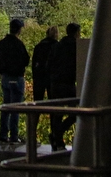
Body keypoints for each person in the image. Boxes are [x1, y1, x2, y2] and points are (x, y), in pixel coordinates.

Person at [0, 18, 30, 144]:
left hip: (5, 78)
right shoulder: (19, 45)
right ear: (19, 30)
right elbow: (26, 60)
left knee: (6, 107)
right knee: (15, 109)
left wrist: (1, 70)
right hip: (17, 78)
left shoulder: (2, 43)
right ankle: (13, 136)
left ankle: (3, 135)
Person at [47, 22, 80, 151]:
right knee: (75, 112)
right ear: (77, 33)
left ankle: (58, 139)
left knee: (58, 114)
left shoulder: (57, 46)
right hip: (69, 83)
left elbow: (49, 65)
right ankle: (57, 134)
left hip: (55, 83)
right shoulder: (76, 47)